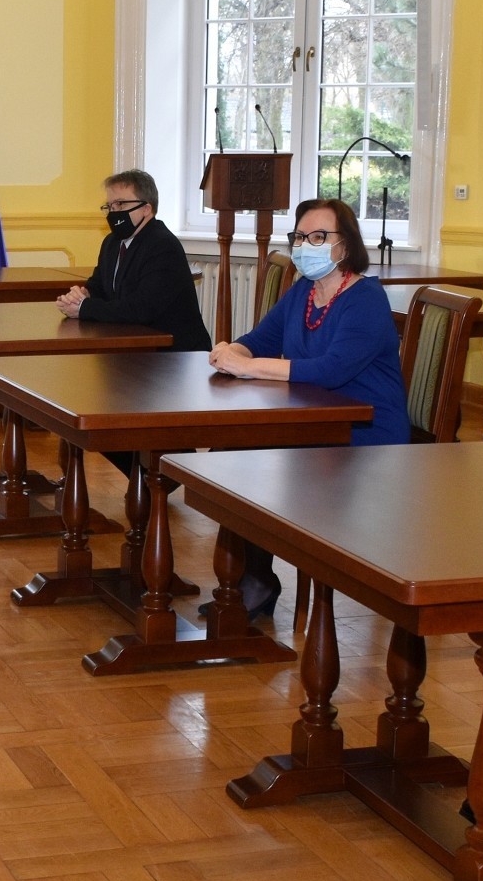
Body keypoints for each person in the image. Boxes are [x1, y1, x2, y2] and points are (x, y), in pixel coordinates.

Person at [207, 197, 409, 621]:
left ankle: (256, 582)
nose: (305, 245)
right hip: (313, 422)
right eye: (300, 237)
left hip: (365, 434)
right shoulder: (303, 291)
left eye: (318, 236)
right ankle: (252, 578)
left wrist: (249, 367)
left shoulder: (365, 300)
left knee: (249, 458)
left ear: (345, 244)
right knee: (233, 449)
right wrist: (232, 350)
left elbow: (330, 371)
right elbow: (260, 339)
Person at [57, 169, 211, 351]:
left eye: (120, 204)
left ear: (146, 209)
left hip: (173, 353)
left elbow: (141, 308)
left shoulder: (163, 245)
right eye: (110, 206)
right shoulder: (111, 242)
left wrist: (84, 308)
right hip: (133, 345)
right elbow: (99, 285)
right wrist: (82, 295)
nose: (114, 212)